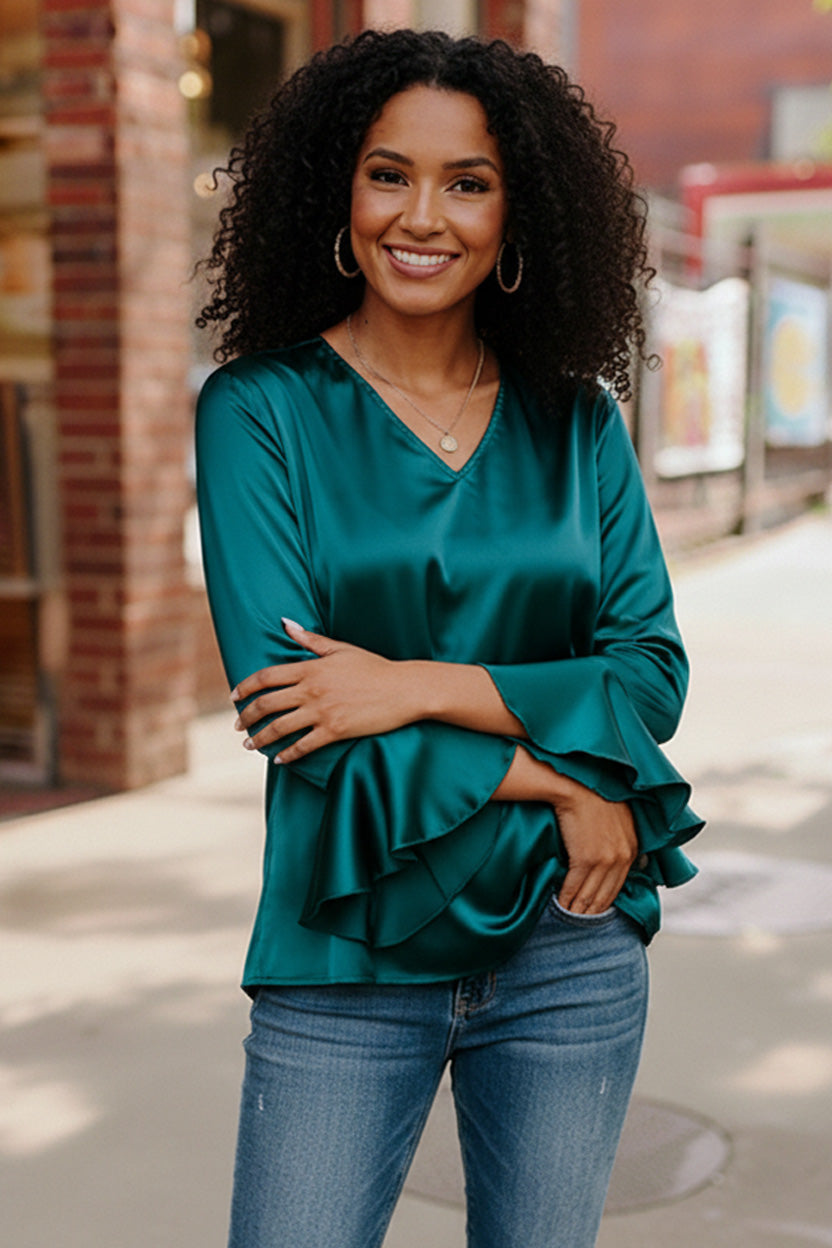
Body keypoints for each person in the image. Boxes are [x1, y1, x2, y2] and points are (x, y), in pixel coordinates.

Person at [194, 28, 703, 1248]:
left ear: (514, 210)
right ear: (339, 191)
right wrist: (561, 783)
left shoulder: (577, 424)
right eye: (389, 174)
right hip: (345, 946)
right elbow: (299, 714)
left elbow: (648, 678)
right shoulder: (259, 410)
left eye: (466, 182)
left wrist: (415, 685)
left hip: (567, 953)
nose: (421, 216)